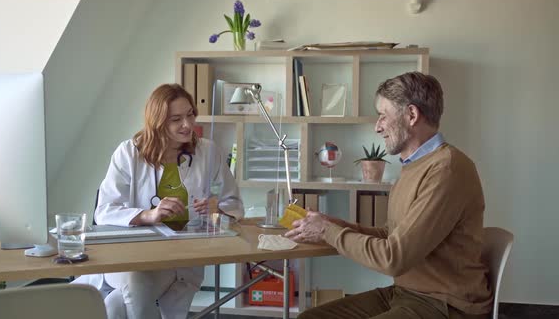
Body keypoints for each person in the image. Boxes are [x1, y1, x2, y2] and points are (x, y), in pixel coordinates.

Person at [286, 72, 492, 319]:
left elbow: (393, 258)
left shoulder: (447, 169)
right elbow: (390, 236)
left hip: (446, 304)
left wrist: (327, 232)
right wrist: (332, 224)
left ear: (412, 115)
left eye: (384, 115)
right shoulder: (413, 165)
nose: (378, 126)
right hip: (407, 293)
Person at [73, 83, 244, 319]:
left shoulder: (208, 152)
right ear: (157, 121)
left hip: (184, 258)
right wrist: (148, 215)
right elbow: (103, 210)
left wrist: (218, 209)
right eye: (176, 119)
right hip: (134, 258)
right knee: (134, 280)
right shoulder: (129, 153)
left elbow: (233, 203)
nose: (187, 125)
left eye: (190, 114)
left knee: (114, 306)